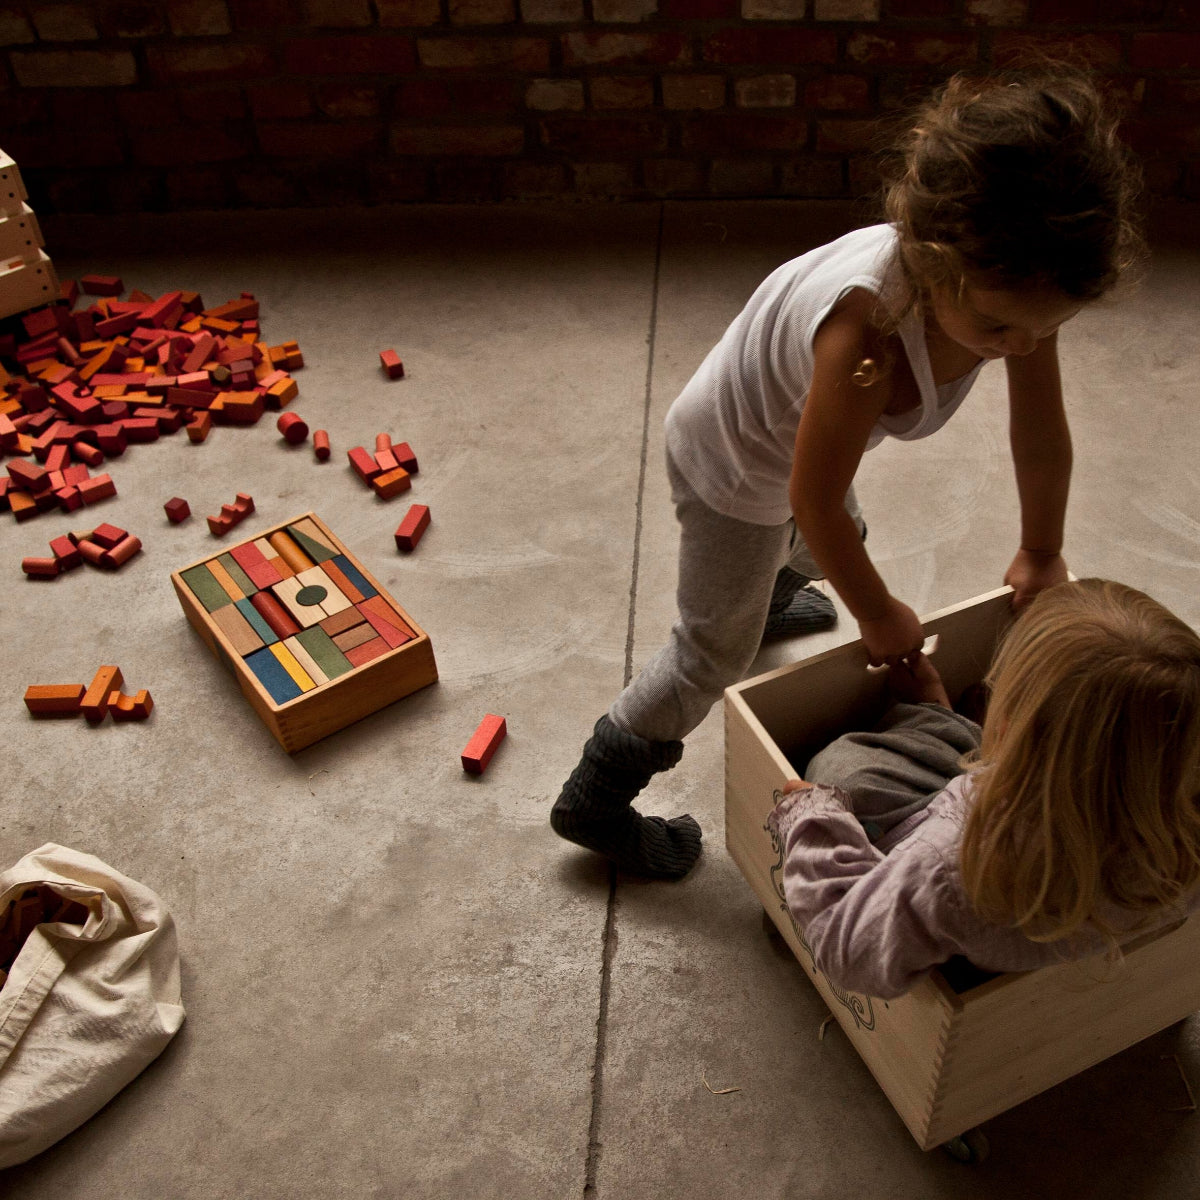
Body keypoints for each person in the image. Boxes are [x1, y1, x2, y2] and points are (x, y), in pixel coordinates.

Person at [551, 65, 1144, 880]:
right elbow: (809, 498)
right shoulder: (863, 331)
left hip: (806, 441)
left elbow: (1038, 435)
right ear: (934, 265)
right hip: (733, 458)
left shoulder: (1016, 296)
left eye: (1041, 331)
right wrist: (880, 615)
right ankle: (597, 796)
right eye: (998, 328)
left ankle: (768, 594)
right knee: (713, 649)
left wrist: (1043, 547)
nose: (1018, 347)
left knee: (838, 540)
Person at [769, 579, 1200, 999]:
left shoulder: (957, 862)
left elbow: (850, 951)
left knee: (842, 772)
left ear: (1009, 727)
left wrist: (813, 818)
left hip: (957, 912)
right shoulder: (1184, 831)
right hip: (1034, 897)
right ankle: (942, 723)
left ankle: (939, 724)